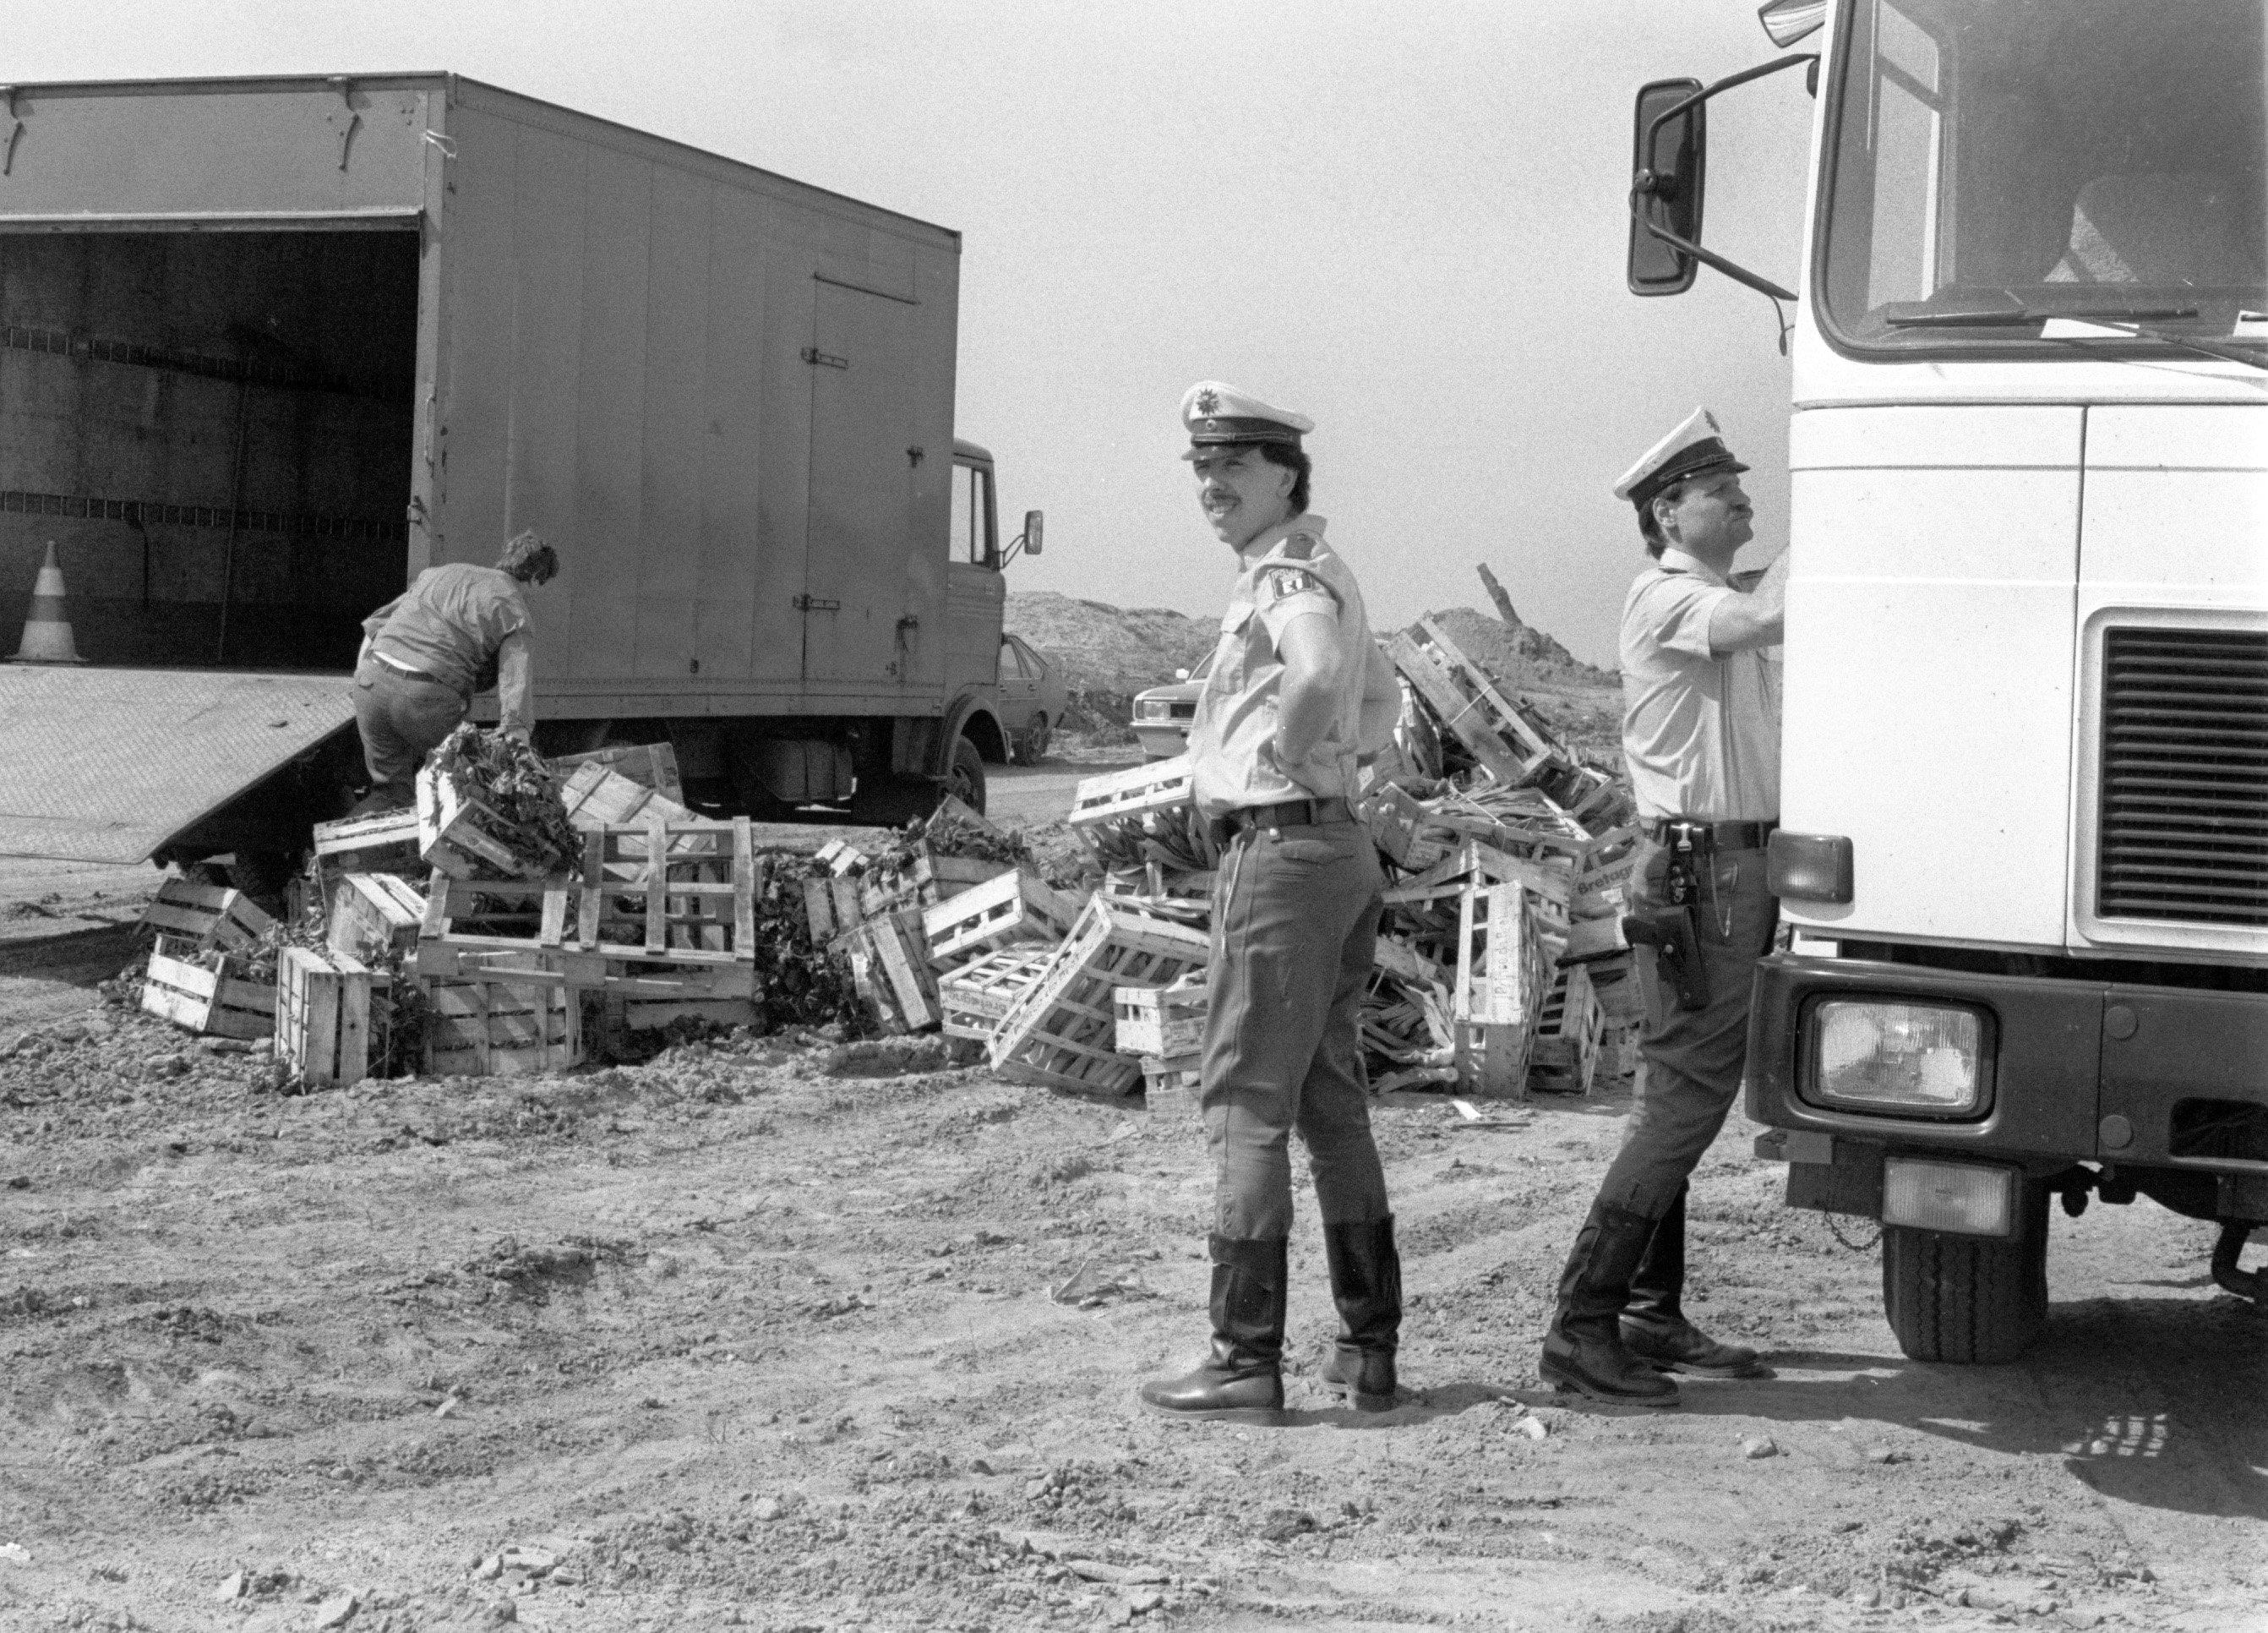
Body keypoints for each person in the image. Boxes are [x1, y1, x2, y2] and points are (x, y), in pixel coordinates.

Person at [1137, 381, 1406, 1423]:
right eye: (1201, 468)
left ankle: (1243, 1358)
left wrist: (1291, 755)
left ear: (1285, 476)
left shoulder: (1287, 572)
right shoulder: (1324, 568)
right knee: (1330, 1104)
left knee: (1245, 1105)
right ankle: (1365, 1346)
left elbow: (1322, 671)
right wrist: (1339, 763)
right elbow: (1377, 696)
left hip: (1282, 849)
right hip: (1338, 845)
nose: (1211, 484)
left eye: (1232, 467)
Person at [1538, 407, 1787, 1406]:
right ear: (1666, 512)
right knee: (1683, 1100)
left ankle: (1643, 1310)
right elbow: (1765, 620)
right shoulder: (1666, 596)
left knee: (1670, 1097)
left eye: (1736, 482)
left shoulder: (1710, 591)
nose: (1740, 497)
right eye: (1715, 487)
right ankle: (1581, 1326)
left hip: (1725, 873)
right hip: (1702, 877)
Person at [349, 531, 558, 814]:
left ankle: (330, 855)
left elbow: (374, 627)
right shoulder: (514, 608)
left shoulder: (442, 573)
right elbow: (515, 690)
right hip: (425, 697)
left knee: (391, 795)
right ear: (535, 579)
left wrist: (362, 679)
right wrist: (515, 757)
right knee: (471, 790)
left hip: (371, 683)